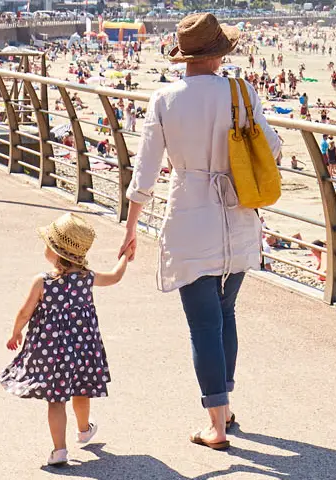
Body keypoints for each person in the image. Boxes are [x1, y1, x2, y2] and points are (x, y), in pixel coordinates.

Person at [118, 14, 278, 452]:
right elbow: (272, 147)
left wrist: (131, 226)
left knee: (203, 323)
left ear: (184, 56)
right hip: (239, 213)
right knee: (225, 314)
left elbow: (146, 171)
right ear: (220, 54)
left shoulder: (165, 100)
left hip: (190, 215)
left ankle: (217, 425)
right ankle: (223, 409)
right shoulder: (241, 93)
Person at [1, 214, 128, 466]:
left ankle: (59, 450)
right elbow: (114, 277)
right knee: (82, 390)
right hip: (83, 349)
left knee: (56, 400)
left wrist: (16, 332)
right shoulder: (87, 278)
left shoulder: (43, 282)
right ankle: (84, 429)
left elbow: (25, 312)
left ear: (56, 251)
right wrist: (125, 256)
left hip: (52, 352)